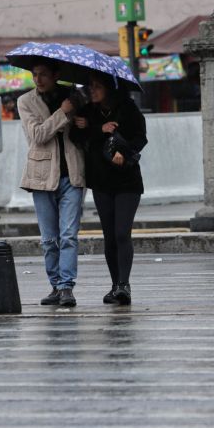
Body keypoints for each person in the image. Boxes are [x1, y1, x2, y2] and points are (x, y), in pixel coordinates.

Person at [72, 72, 148, 305]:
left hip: (127, 181)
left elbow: (140, 138)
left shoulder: (128, 109)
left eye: (97, 86)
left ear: (110, 88)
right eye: (90, 86)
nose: (92, 90)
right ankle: (115, 285)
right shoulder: (87, 112)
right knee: (109, 237)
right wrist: (98, 128)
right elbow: (76, 137)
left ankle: (124, 284)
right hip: (101, 182)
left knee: (121, 233)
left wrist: (122, 154)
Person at [17, 58, 85, 308]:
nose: (38, 79)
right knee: (49, 238)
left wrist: (81, 121)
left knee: (69, 235)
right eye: (35, 75)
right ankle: (55, 285)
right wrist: (63, 113)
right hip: (42, 175)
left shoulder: (75, 96)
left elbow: (82, 134)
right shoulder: (25, 101)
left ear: (56, 74)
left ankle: (67, 287)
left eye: (44, 74)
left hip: (72, 174)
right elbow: (37, 135)